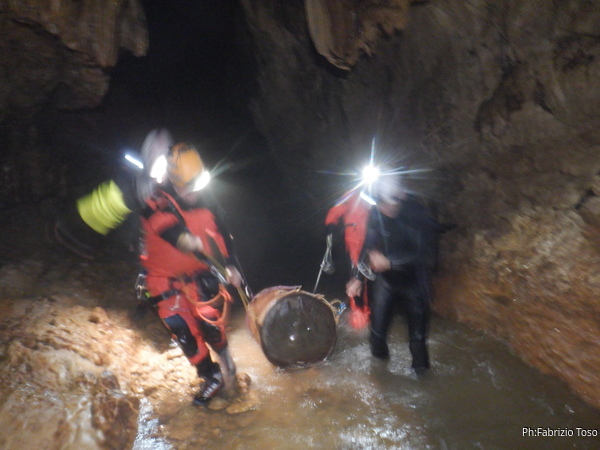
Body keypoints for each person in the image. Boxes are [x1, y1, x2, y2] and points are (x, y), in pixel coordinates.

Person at [54, 137, 243, 405]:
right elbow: (162, 224)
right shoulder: (153, 195)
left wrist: (231, 263)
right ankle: (210, 375)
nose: (194, 193)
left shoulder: (207, 197)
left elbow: (223, 231)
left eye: (197, 186)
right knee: (183, 331)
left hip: (200, 274)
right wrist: (183, 239)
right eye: (188, 188)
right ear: (174, 182)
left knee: (211, 324)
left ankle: (225, 359)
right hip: (164, 279)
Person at [345, 176, 453, 373]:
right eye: (381, 204)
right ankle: (381, 377)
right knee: (376, 336)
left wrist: (390, 262)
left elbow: (426, 256)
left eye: (390, 204)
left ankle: (422, 381)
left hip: (415, 282)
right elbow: (368, 246)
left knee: (417, 342)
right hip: (386, 282)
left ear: (401, 197)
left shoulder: (417, 214)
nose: (385, 209)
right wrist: (358, 278)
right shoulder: (376, 213)